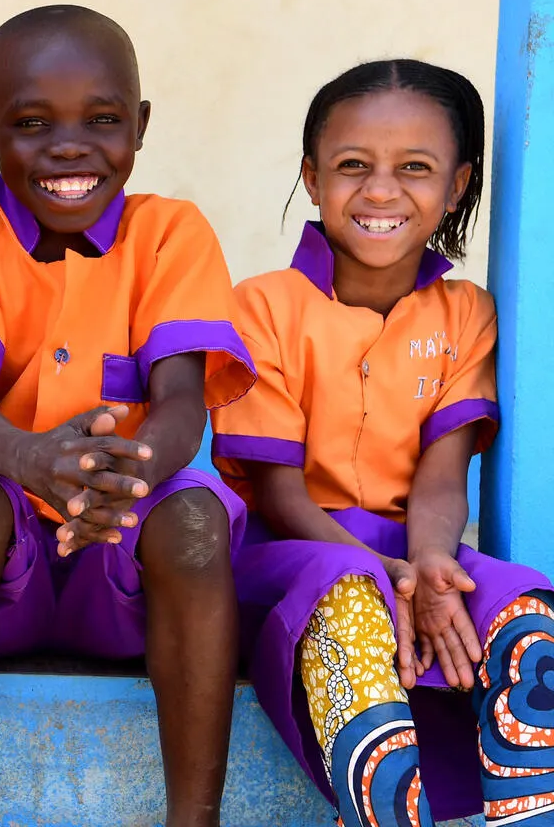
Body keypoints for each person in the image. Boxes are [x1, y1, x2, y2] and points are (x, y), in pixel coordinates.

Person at [0, 5, 257, 827]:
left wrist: (121, 479)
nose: (69, 147)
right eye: (31, 123)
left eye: (102, 121)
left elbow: (180, 400)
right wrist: (30, 462)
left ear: (141, 125)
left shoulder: (171, 232)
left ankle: (194, 817)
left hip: (121, 556)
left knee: (197, 517)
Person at [212, 59, 554, 826]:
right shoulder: (261, 307)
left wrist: (431, 560)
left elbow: (442, 477)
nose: (380, 191)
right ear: (311, 175)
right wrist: (382, 572)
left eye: (416, 169)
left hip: (417, 548)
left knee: (528, 617)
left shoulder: (466, 313)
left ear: (458, 184)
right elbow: (278, 492)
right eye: (353, 166)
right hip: (294, 553)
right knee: (350, 595)